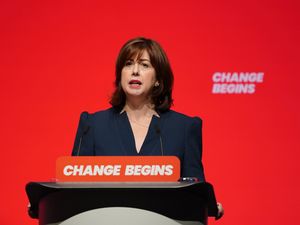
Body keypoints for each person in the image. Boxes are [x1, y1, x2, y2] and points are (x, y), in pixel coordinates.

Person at [72, 37, 223, 218]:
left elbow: (195, 188)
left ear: (158, 78)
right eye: (128, 64)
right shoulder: (94, 125)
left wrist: (204, 204)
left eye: (144, 65)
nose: (135, 71)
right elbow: (73, 186)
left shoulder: (184, 128)